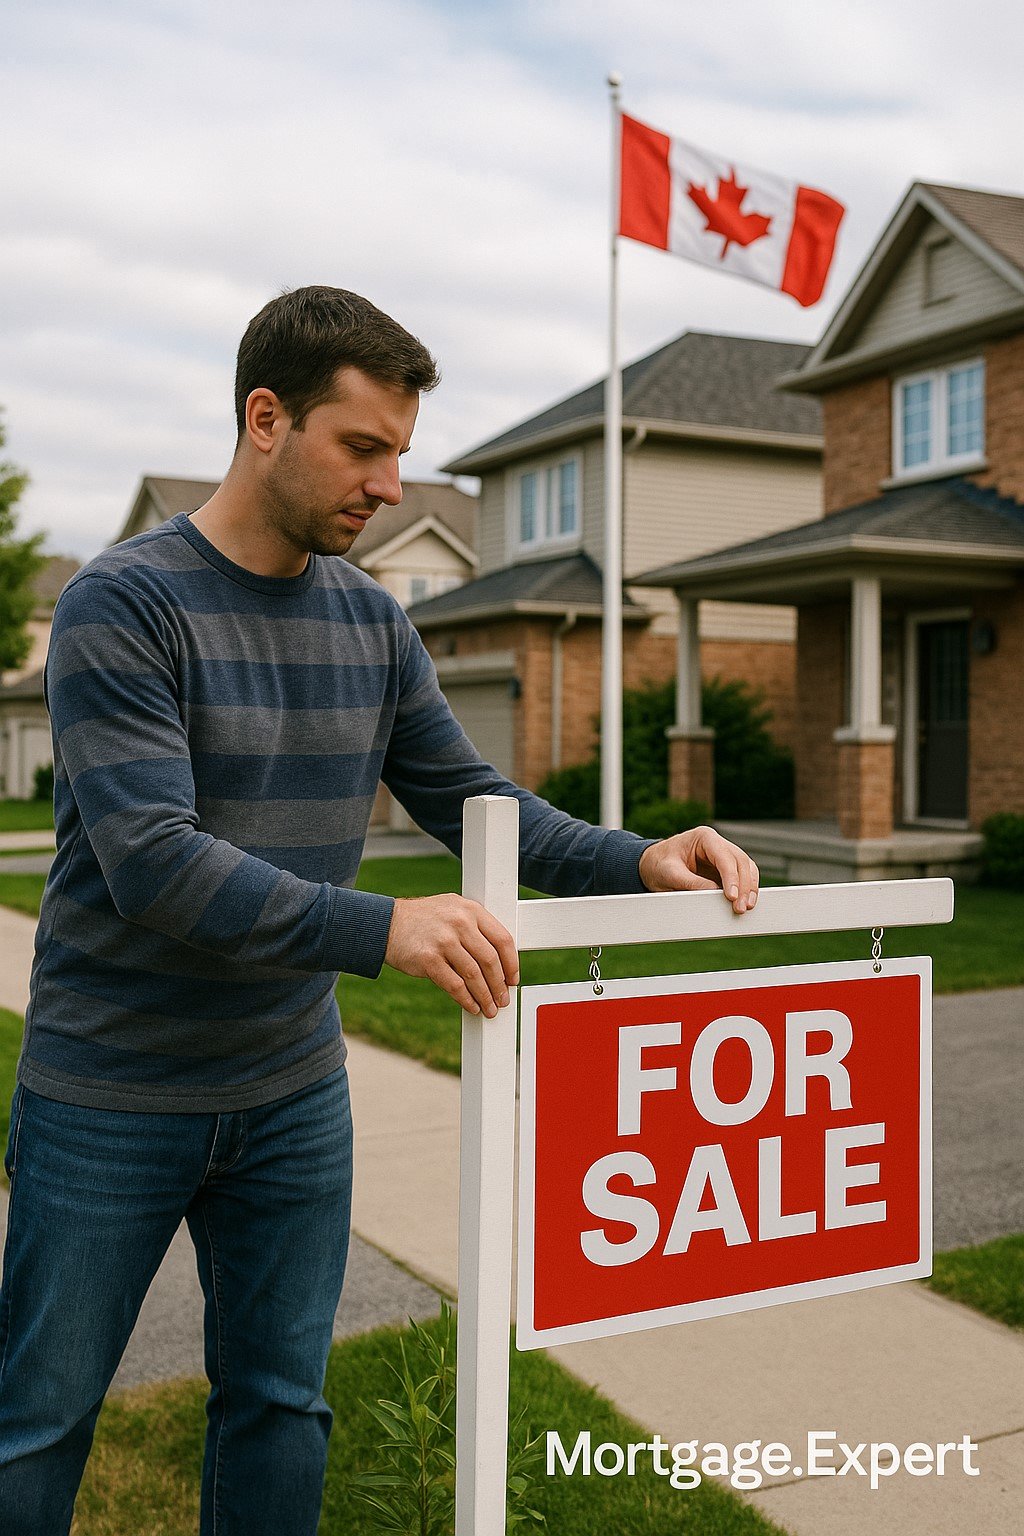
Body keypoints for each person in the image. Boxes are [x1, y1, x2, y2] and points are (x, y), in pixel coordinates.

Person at [0, 285, 759, 1535]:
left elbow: (471, 800)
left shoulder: (371, 618)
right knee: (39, 1421)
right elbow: (154, 861)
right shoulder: (121, 604)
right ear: (264, 419)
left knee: (280, 1410)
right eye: (364, 447)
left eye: (401, 453)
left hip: (291, 1098)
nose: (392, 485)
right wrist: (385, 927)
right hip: (108, 1096)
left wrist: (636, 861)